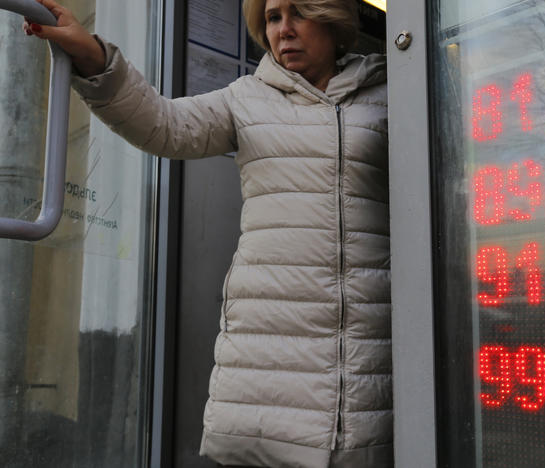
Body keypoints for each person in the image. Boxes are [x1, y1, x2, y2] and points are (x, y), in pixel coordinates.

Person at [25, 0, 391, 466]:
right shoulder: (246, 97)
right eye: (274, 18)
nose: (284, 30)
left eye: (299, 14)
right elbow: (164, 125)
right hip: (268, 339)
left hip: (366, 338)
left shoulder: (388, 92)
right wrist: (93, 56)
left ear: (333, 21)